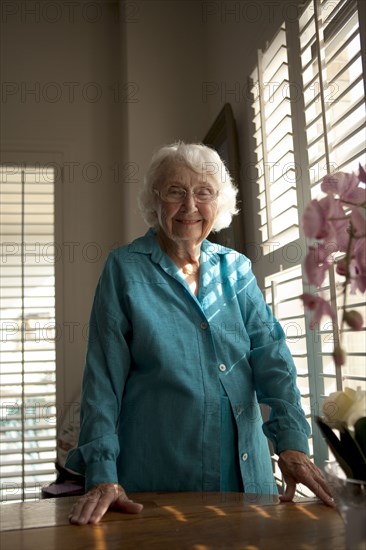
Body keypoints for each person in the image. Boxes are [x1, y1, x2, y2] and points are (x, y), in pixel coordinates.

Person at [67, 142, 334, 525]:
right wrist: (103, 474)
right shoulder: (124, 269)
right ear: (154, 200)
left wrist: (292, 444)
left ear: (219, 203)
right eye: (175, 191)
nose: (190, 205)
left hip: (248, 480)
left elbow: (273, 360)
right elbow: (102, 380)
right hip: (160, 482)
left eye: (204, 192)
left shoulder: (237, 271)